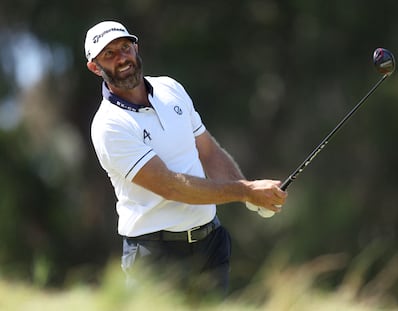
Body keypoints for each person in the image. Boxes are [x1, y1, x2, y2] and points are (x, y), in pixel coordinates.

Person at [84, 20, 287, 299]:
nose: (122, 58)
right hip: (155, 256)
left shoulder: (170, 88)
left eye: (125, 47)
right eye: (109, 54)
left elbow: (208, 152)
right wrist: (245, 192)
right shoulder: (109, 125)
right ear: (95, 67)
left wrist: (249, 193)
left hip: (210, 246)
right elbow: (171, 187)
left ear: (135, 48)